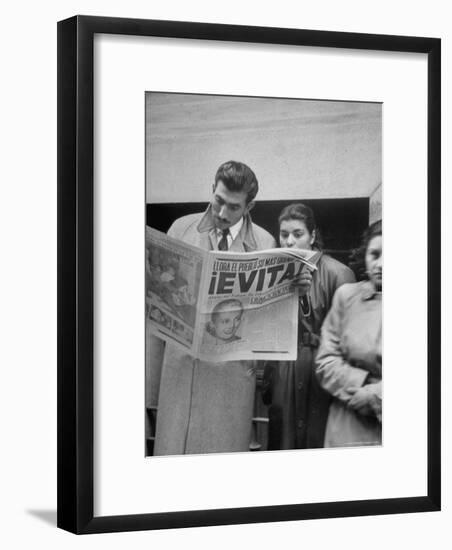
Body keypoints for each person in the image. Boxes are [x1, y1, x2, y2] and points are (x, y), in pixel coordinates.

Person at [153, 161, 276, 455]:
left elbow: (268, 320)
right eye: (218, 200)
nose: (222, 213)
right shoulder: (180, 228)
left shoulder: (265, 242)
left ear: (250, 206)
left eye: (233, 207)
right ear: (212, 189)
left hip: (229, 379)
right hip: (181, 374)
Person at [262, 203, 355, 450]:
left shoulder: (339, 273)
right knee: (283, 440)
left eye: (298, 234)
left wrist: (303, 297)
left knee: (317, 439)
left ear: (313, 236)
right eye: (284, 234)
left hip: (321, 370)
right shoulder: (272, 272)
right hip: (284, 368)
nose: (289, 241)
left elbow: (346, 336)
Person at [315, 220, 382, 447]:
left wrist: (377, 395)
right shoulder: (347, 297)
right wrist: (361, 384)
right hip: (347, 423)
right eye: (375, 254)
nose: (381, 264)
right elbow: (326, 360)